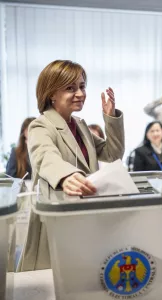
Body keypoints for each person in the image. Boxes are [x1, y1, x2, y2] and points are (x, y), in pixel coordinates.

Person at [20, 60, 125, 271]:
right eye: (70, 88)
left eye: (82, 86)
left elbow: (113, 154)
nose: (80, 93)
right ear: (51, 94)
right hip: (59, 221)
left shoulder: (79, 125)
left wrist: (110, 117)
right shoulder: (41, 125)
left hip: (83, 216)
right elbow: (44, 156)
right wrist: (66, 176)